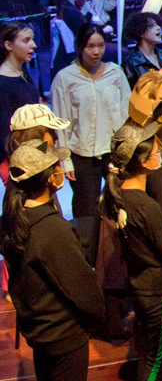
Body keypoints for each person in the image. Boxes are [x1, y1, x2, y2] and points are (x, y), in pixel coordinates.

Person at [0, 140, 104, 381]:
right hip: (64, 337)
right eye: (57, 166)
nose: (61, 169)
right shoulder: (53, 229)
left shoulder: (13, 221)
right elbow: (82, 288)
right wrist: (98, 318)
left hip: (40, 333)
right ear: (50, 179)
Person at [100, 121, 162, 381]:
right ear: (142, 163)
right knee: (156, 360)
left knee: (153, 356)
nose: (158, 155)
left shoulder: (118, 197)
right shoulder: (147, 206)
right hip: (157, 292)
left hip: (140, 286)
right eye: (154, 152)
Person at [51, 22, 131, 260]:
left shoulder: (115, 73)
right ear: (79, 47)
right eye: (90, 46)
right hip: (81, 154)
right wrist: (65, 160)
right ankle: (87, 261)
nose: (96, 52)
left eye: (101, 45)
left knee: (120, 205)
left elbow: (126, 112)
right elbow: (61, 122)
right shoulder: (65, 78)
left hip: (113, 151)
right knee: (86, 212)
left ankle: (119, 259)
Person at [0, 23, 39, 164]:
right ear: (8, 45)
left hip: (33, 153)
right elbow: (4, 133)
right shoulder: (3, 83)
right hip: (17, 161)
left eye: (32, 39)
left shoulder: (23, 74)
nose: (33, 45)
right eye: (26, 40)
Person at [121, 12, 162, 89]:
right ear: (140, 32)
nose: (158, 28)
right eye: (152, 26)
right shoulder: (131, 63)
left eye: (158, 24)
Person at [49, 0, 87, 81]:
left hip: (63, 56)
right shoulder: (72, 12)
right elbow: (87, 33)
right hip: (75, 55)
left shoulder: (63, 9)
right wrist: (105, 30)